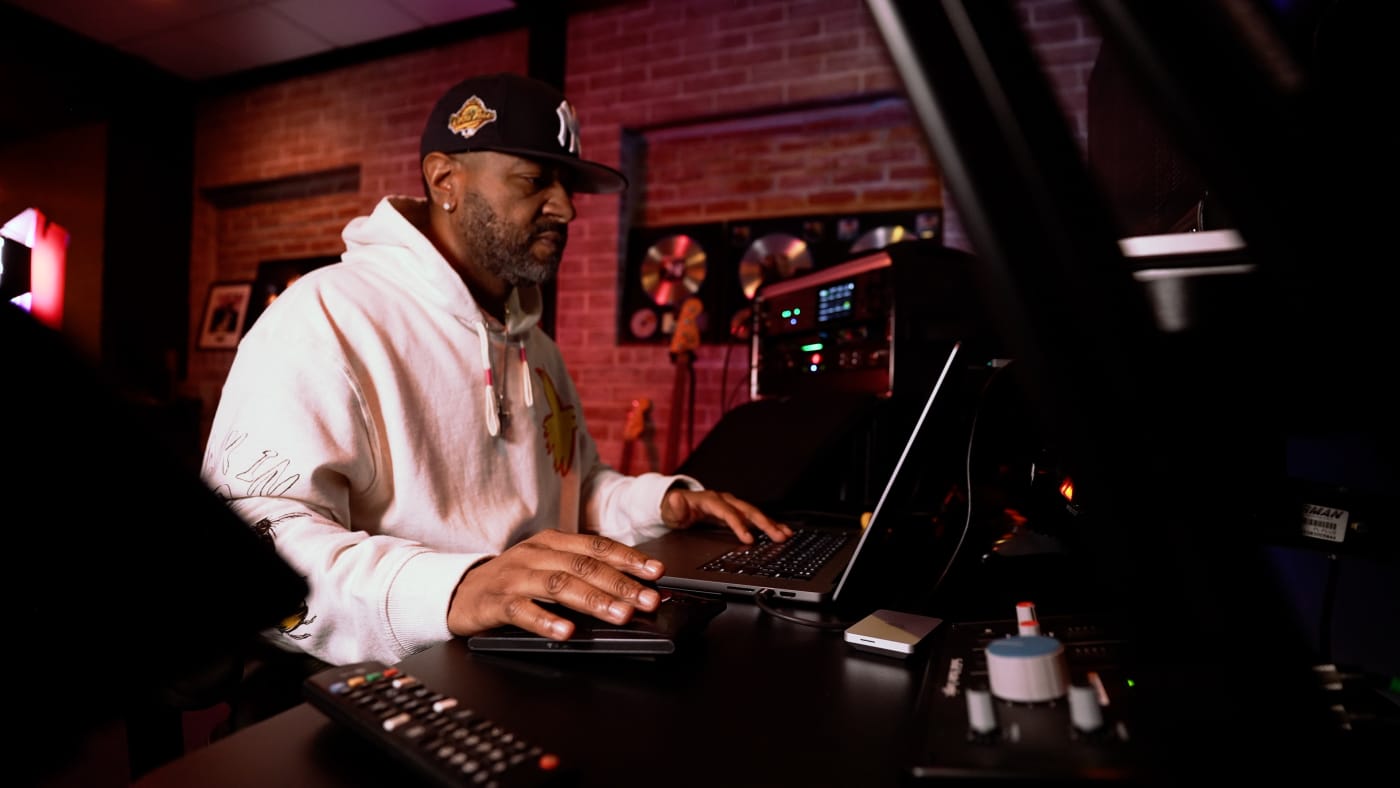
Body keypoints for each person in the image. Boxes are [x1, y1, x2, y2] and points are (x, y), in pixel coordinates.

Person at [201, 72, 790, 669]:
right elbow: (254, 539)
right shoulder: (326, 316)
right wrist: (456, 588)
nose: (564, 208)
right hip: (378, 683)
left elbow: (572, 491)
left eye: (567, 187)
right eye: (535, 180)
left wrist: (658, 504)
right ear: (444, 180)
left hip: (529, 657)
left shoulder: (537, 346)